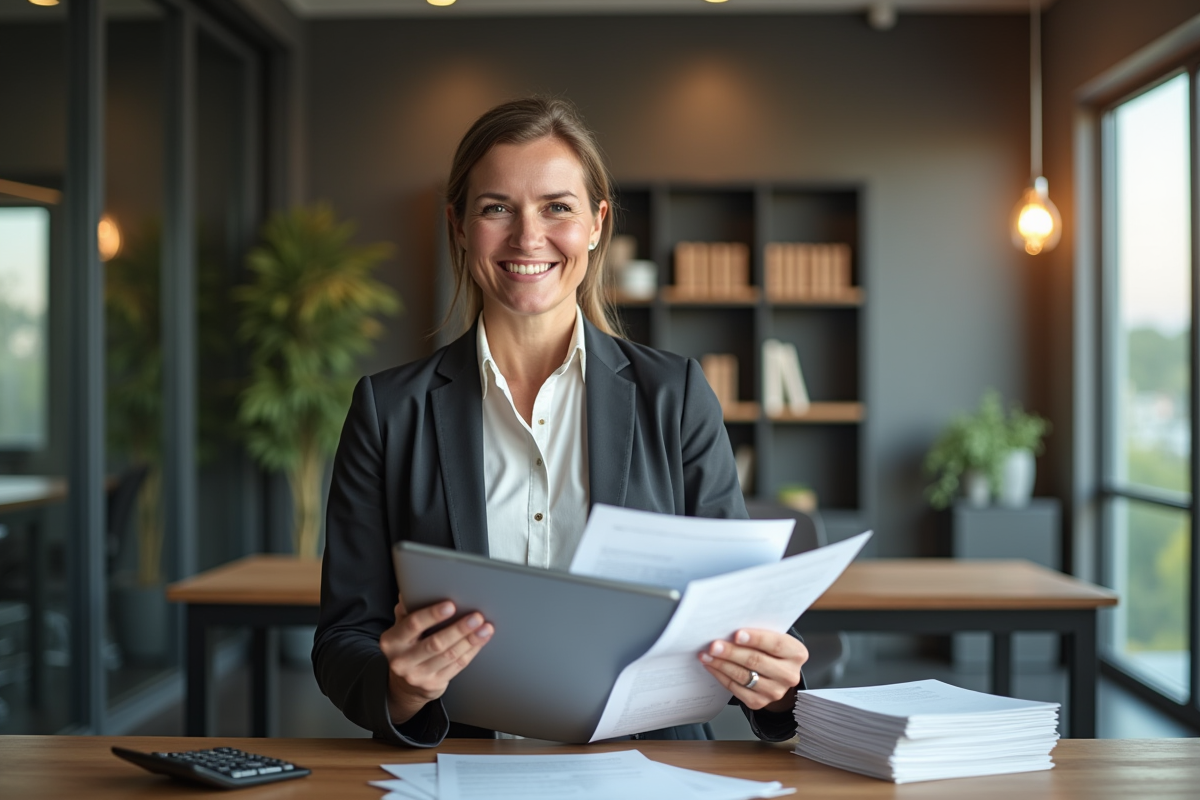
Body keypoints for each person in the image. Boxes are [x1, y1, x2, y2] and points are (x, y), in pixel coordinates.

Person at [313, 97, 807, 747]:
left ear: (598, 223)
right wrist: (400, 688)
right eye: (497, 208)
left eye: (557, 207)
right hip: (462, 772)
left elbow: (736, 618)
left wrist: (773, 687)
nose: (527, 237)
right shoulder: (387, 410)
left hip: (651, 775)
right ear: (458, 225)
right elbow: (344, 639)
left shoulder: (676, 394)